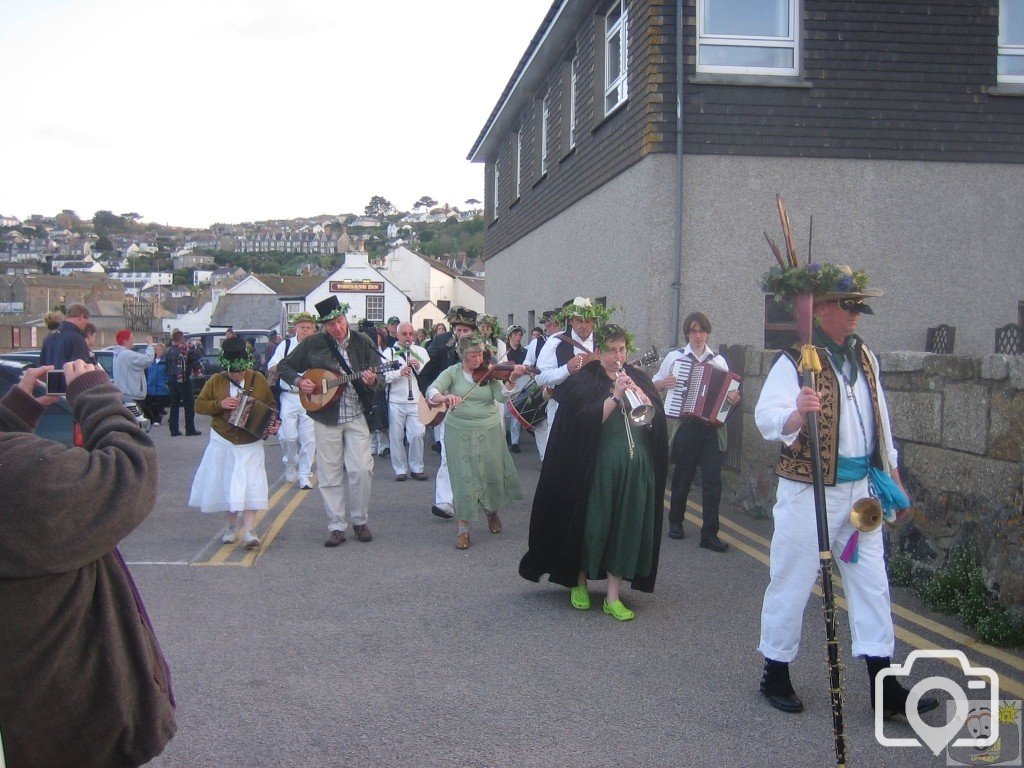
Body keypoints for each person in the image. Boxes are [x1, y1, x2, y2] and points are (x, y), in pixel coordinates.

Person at [754, 266, 938, 719]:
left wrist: (890, 470)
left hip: (862, 490)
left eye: (859, 306)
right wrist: (797, 413)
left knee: (872, 584)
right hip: (809, 491)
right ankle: (775, 671)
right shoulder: (795, 360)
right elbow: (766, 417)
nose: (856, 315)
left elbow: (881, 419)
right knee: (792, 580)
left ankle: (884, 684)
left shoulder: (866, 357)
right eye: (847, 306)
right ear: (822, 310)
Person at [0, 360, 176, 768]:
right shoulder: (20, 473)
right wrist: (96, 395)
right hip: (64, 720)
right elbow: (130, 473)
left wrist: (10, 417)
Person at [520, 323, 668, 621]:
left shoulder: (637, 377)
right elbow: (582, 425)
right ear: (598, 352)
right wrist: (615, 396)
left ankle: (613, 596)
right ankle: (579, 582)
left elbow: (652, 425)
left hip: (635, 469)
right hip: (596, 469)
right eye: (611, 350)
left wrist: (644, 398)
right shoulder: (584, 380)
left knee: (624, 530)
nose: (617, 356)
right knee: (593, 527)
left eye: (622, 349)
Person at [278, 296, 381, 547]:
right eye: (332, 324)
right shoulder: (314, 344)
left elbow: (377, 373)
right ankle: (336, 525)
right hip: (325, 416)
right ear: (324, 325)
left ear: (346, 318)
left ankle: (360, 520)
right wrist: (300, 381)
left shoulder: (362, 341)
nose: (338, 327)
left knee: (361, 469)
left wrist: (373, 380)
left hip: (356, 414)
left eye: (340, 321)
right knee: (329, 473)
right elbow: (285, 366)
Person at [425, 334, 526, 549]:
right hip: (458, 430)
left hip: (488, 429)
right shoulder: (452, 372)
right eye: (472, 355)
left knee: (490, 473)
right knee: (463, 478)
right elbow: (432, 390)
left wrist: (512, 379)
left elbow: (502, 398)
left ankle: (492, 512)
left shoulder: (490, 371)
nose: (478, 359)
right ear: (462, 355)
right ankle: (463, 530)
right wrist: (443, 398)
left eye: (480, 354)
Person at [652, 311, 740, 552]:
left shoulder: (718, 361)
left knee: (713, 481)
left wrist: (734, 398)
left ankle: (709, 534)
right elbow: (654, 383)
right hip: (687, 426)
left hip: (711, 429)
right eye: (693, 331)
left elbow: (729, 395)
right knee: (683, 476)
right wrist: (664, 384)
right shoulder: (675, 357)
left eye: (702, 331)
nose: (698, 335)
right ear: (687, 334)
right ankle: (675, 522)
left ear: (708, 333)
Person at [189, 337, 280, 549]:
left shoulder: (258, 379)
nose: (235, 375)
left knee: (251, 485)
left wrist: (273, 424)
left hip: (250, 441)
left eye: (238, 372)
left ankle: (249, 530)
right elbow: (199, 405)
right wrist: (219, 404)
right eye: (231, 372)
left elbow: (270, 406)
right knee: (228, 483)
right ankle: (231, 527)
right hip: (223, 440)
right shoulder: (215, 381)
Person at [418, 306, 479, 520]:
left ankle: (472, 496)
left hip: (475, 412)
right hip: (449, 412)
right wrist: (434, 396)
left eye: (466, 331)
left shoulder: (481, 352)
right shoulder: (444, 347)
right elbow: (425, 375)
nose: (462, 334)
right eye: (459, 330)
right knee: (447, 455)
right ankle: (444, 501)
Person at [535, 297, 608, 458]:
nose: (584, 325)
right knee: (560, 459)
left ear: (595, 322)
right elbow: (539, 378)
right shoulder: (557, 341)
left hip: (594, 410)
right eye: (579, 320)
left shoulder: (603, 342)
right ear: (570, 321)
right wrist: (567, 369)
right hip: (562, 409)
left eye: (589, 321)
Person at [267, 313, 318, 489]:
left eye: (309, 327)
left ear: (314, 329)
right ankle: (290, 462)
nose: (305, 330)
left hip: (310, 398)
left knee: (309, 440)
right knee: (288, 437)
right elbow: (272, 366)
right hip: (289, 395)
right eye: (302, 327)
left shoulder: (317, 347)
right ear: (295, 328)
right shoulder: (286, 345)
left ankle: (305, 474)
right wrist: (291, 373)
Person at [382, 321, 431, 481]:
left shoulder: (421, 351)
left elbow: (429, 376)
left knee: (417, 434)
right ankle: (400, 469)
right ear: (397, 335)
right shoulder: (389, 352)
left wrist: (420, 368)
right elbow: (383, 377)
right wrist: (399, 373)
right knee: (396, 437)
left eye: (411, 334)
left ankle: (417, 468)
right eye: (404, 334)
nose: (408, 337)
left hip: (416, 400)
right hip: (396, 401)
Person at [522, 309, 563, 459]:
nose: (552, 325)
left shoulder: (563, 340)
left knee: (557, 423)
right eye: (549, 322)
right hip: (540, 387)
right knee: (541, 424)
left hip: (558, 387)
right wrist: (532, 370)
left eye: (555, 322)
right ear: (546, 324)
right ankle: (544, 457)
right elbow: (527, 362)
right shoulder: (536, 342)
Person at [164, 329, 204, 437]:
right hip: (183, 378)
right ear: (181, 338)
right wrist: (198, 347)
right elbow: (196, 358)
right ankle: (190, 429)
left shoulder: (168, 350)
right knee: (189, 404)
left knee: (174, 404)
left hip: (172, 378)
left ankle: (174, 429)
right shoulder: (184, 350)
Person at [40, 302, 92, 368]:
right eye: (87, 319)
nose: (87, 323)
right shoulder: (77, 339)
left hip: (51, 378)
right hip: (69, 377)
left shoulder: (48, 338)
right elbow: (80, 370)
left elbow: (42, 367)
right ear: (81, 317)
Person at [112, 329, 155, 403]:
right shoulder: (127, 354)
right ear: (125, 341)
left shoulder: (117, 354)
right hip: (131, 395)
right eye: (131, 338)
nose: (133, 341)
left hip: (123, 394)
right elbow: (148, 359)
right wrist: (150, 345)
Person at [503, 324, 527, 453]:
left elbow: (528, 366)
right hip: (505, 384)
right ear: (510, 336)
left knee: (516, 416)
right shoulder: (505, 351)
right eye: (516, 334)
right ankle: (506, 433)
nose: (518, 337)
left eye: (520, 335)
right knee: (505, 414)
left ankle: (514, 442)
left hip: (520, 385)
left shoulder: (524, 352)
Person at [143, 343, 170, 426]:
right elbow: (145, 373)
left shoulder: (166, 362)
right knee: (150, 405)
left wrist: (166, 382)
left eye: (162, 350)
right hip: (150, 386)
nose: (160, 351)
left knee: (160, 405)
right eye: (159, 349)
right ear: (155, 350)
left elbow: (168, 373)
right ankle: (152, 418)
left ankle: (158, 419)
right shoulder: (150, 361)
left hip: (161, 387)